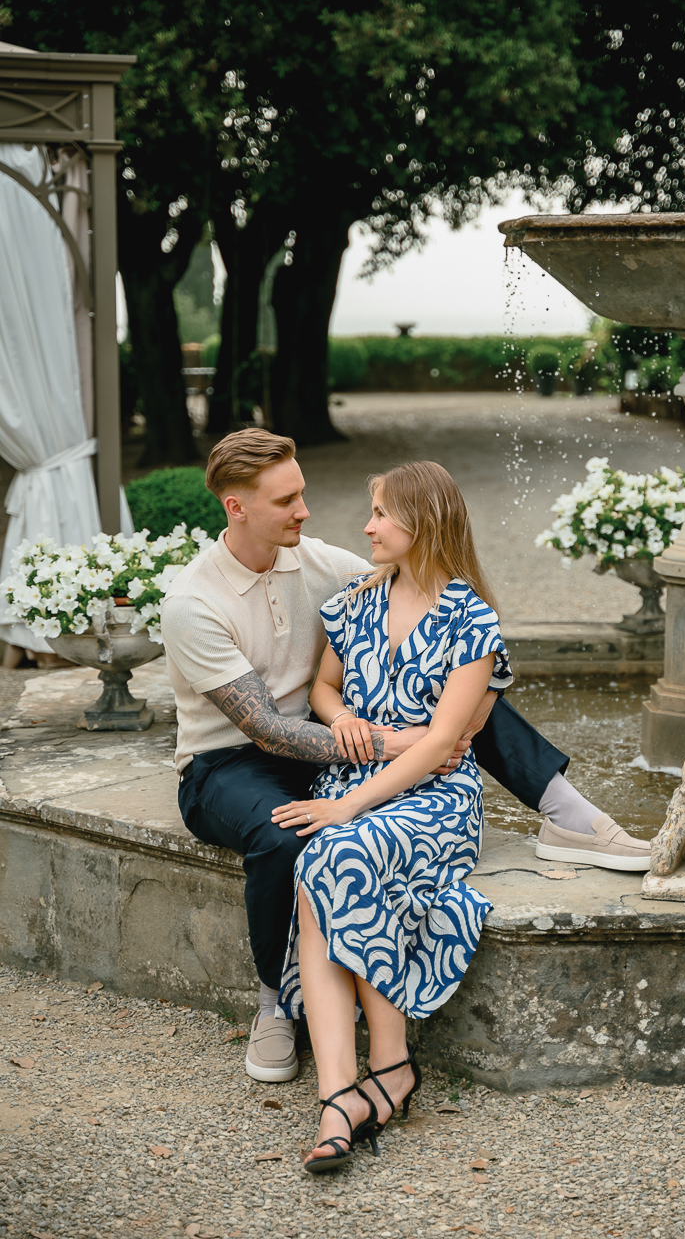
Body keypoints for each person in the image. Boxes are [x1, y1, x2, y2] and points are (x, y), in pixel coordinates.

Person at [160, 430, 649, 1089]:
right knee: (284, 835)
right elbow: (268, 731)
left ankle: (567, 813)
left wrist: (476, 695)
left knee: (454, 692)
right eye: (287, 500)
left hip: (322, 740)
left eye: (302, 491)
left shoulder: (317, 560)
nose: (306, 510)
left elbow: (429, 605)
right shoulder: (194, 602)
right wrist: (411, 742)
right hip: (228, 763)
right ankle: (275, 1003)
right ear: (235, 507)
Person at [273, 460, 510, 1171]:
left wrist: (344, 805)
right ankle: (350, 1089)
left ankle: (378, 1071)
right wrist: (342, 715)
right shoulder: (356, 599)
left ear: (423, 522)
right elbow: (322, 684)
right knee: (324, 859)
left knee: (334, 851)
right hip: (359, 775)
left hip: (436, 798)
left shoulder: (472, 617)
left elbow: (444, 740)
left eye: (380, 513)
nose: (368, 526)